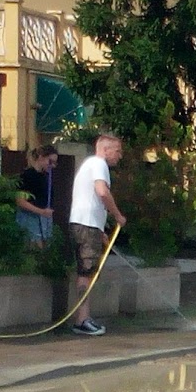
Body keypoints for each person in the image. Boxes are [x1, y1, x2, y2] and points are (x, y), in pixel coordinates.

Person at [68, 133, 126, 336]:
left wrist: (99, 231)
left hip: (85, 224)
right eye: (117, 151)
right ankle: (82, 320)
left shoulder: (90, 165)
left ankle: (83, 318)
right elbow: (102, 192)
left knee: (87, 270)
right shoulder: (99, 164)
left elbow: (90, 199)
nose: (119, 155)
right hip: (86, 225)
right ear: (105, 149)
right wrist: (117, 215)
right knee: (87, 272)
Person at [15, 144, 58, 245]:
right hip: (30, 218)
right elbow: (20, 201)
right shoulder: (27, 175)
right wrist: (41, 211)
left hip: (43, 220)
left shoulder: (45, 177)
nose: (52, 166)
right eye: (50, 161)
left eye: (55, 163)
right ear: (41, 157)